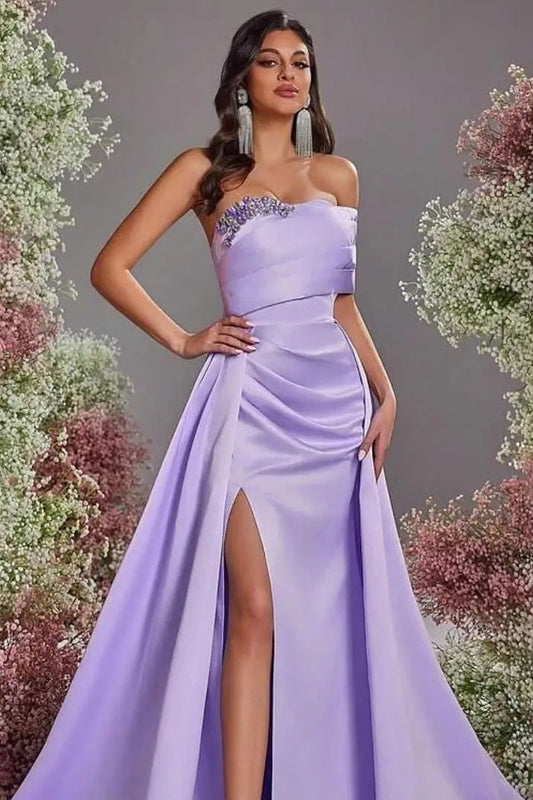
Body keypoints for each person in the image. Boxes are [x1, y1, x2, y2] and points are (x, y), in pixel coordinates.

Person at [12, 9, 523, 800]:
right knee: (253, 608)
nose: (288, 75)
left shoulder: (338, 176)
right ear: (242, 78)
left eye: (300, 63)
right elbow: (110, 266)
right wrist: (185, 340)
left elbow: (338, 301)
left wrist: (385, 391)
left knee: (325, 617)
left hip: (335, 411)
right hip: (250, 402)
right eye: (271, 61)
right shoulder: (203, 172)